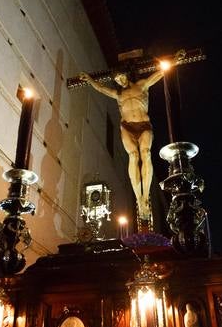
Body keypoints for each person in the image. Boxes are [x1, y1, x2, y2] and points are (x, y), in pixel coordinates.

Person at [79, 49, 185, 223]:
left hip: (143, 126)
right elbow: (101, 88)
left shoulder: (141, 85)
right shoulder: (118, 94)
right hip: (127, 127)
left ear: (125, 75)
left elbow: (158, 74)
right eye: (116, 80)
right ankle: (139, 198)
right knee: (133, 156)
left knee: (146, 154)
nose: (119, 81)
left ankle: (146, 193)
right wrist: (90, 80)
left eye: (120, 77)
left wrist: (174, 61)